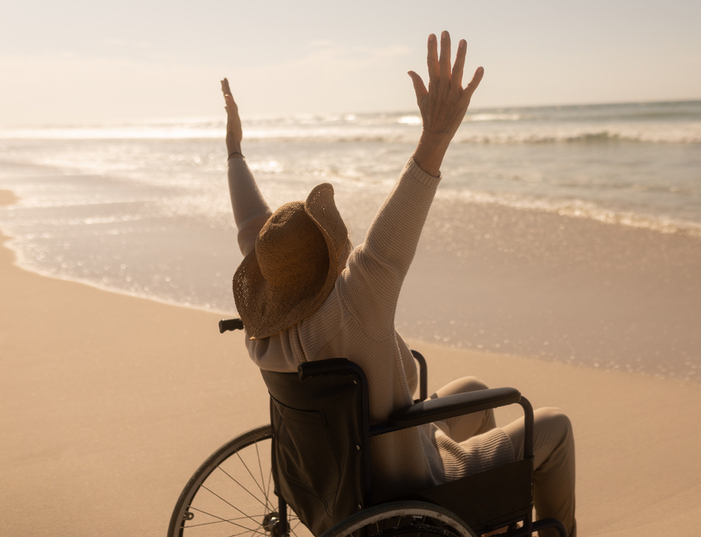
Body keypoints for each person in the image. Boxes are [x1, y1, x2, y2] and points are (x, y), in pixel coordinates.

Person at [223, 31, 576, 537]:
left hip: (341, 481)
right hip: (406, 486)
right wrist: (437, 134)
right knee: (555, 426)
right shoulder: (354, 304)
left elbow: (251, 228)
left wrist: (234, 152)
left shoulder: (264, 327)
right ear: (329, 255)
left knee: (475, 391)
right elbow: (399, 223)